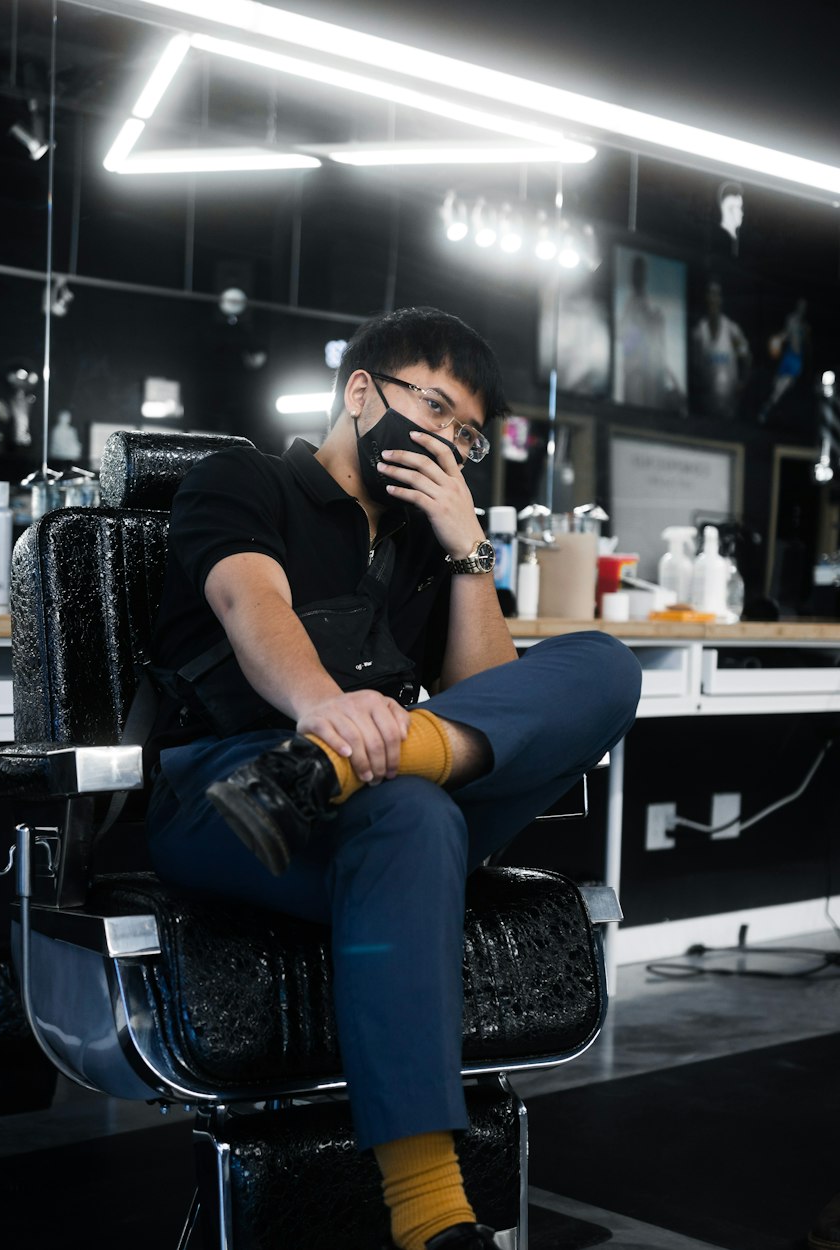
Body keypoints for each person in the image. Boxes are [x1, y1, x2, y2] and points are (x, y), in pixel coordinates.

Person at [145, 306, 642, 1250]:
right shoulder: (243, 481)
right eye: (437, 409)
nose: (450, 443)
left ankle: (332, 771)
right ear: (362, 392)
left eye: (468, 436)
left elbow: (492, 706)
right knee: (414, 812)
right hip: (228, 796)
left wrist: (465, 550)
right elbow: (248, 603)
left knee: (605, 666)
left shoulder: (425, 540)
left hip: (379, 795)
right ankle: (429, 1211)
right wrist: (322, 709)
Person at [617, 253, 684, 411]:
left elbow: (659, 348)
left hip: (652, 379)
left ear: (644, 276)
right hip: (635, 376)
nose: (637, 277)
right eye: (635, 273)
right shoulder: (629, 306)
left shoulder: (651, 307)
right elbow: (624, 338)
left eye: (640, 273)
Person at [691, 281, 751, 419]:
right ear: (705, 297)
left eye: (716, 294)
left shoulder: (732, 331)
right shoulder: (698, 333)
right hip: (707, 411)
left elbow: (747, 359)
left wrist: (742, 385)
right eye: (710, 293)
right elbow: (695, 371)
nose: (713, 298)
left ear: (721, 299)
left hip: (730, 410)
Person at [758, 298, 811, 424]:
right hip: (788, 357)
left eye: (804, 306)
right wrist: (778, 340)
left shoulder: (805, 326)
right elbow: (786, 334)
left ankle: (766, 412)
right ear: (797, 306)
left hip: (796, 361)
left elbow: (807, 345)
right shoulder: (791, 319)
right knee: (777, 387)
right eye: (800, 305)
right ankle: (767, 411)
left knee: (783, 388)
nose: (801, 308)